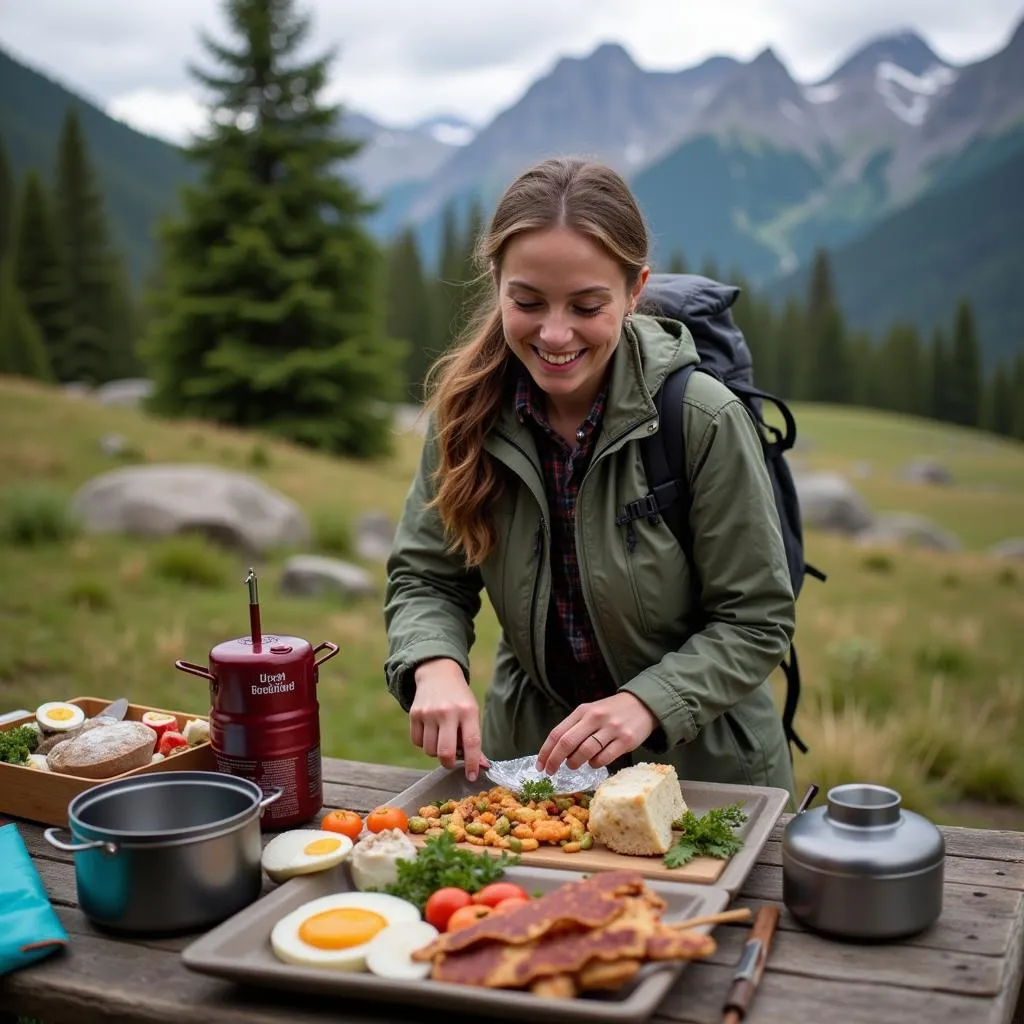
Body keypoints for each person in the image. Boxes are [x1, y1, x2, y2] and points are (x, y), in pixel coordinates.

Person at [383, 156, 797, 797]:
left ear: (636, 291)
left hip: (702, 775)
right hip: (535, 768)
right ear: (496, 283)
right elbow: (427, 575)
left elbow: (757, 618)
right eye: (526, 301)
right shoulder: (467, 416)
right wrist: (433, 665)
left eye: (586, 306)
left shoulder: (701, 419)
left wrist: (647, 702)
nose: (553, 333)